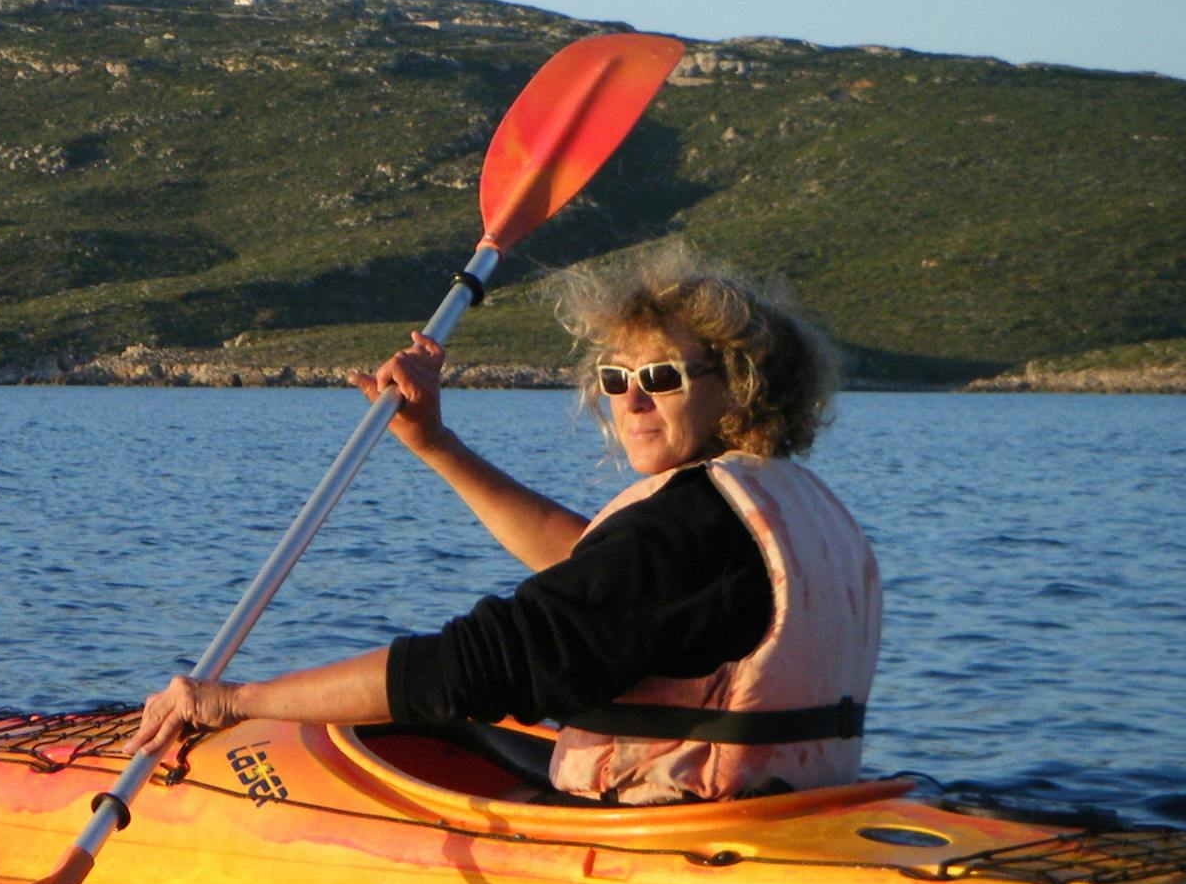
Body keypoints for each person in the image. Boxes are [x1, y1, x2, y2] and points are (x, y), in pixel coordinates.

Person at [132, 244, 882, 804]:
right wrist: (437, 446)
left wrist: (234, 701)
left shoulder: (692, 525)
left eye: (661, 378)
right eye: (616, 379)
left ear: (743, 389)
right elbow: (602, 574)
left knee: (431, 719)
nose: (631, 401)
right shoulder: (776, 503)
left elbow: (474, 669)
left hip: (670, 831)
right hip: (795, 807)